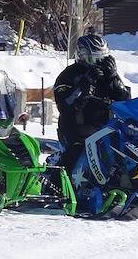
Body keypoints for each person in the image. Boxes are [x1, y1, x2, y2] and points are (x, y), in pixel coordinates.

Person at [53, 34, 131, 172]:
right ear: (82, 56)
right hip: (76, 127)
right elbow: (65, 104)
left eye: (102, 58)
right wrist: (85, 85)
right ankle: (61, 181)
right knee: (77, 155)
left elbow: (126, 103)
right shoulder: (69, 74)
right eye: (94, 58)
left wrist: (114, 80)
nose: (98, 63)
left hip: (106, 127)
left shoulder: (107, 75)